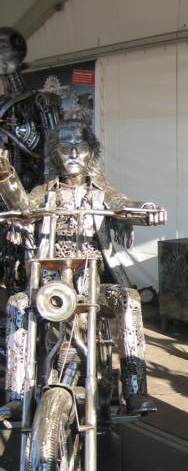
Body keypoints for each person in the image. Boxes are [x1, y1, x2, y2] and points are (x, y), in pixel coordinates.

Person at [0, 113, 166, 415]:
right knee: (17, 304)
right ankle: (16, 396)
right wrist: (5, 176)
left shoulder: (101, 192)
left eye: (80, 146)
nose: (74, 153)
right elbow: (22, 206)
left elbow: (123, 204)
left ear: (91, 151)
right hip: (48, 286)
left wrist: (147, 209)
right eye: (66, 147)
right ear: (56, 153)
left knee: (128, 300)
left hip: (94, 286)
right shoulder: (44, 192)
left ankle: (135, 390)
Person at [0, 27, 62, 294]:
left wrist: (50, 192)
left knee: (27, 253)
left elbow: (55, 149)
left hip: (30, 190)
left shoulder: (42, 101)